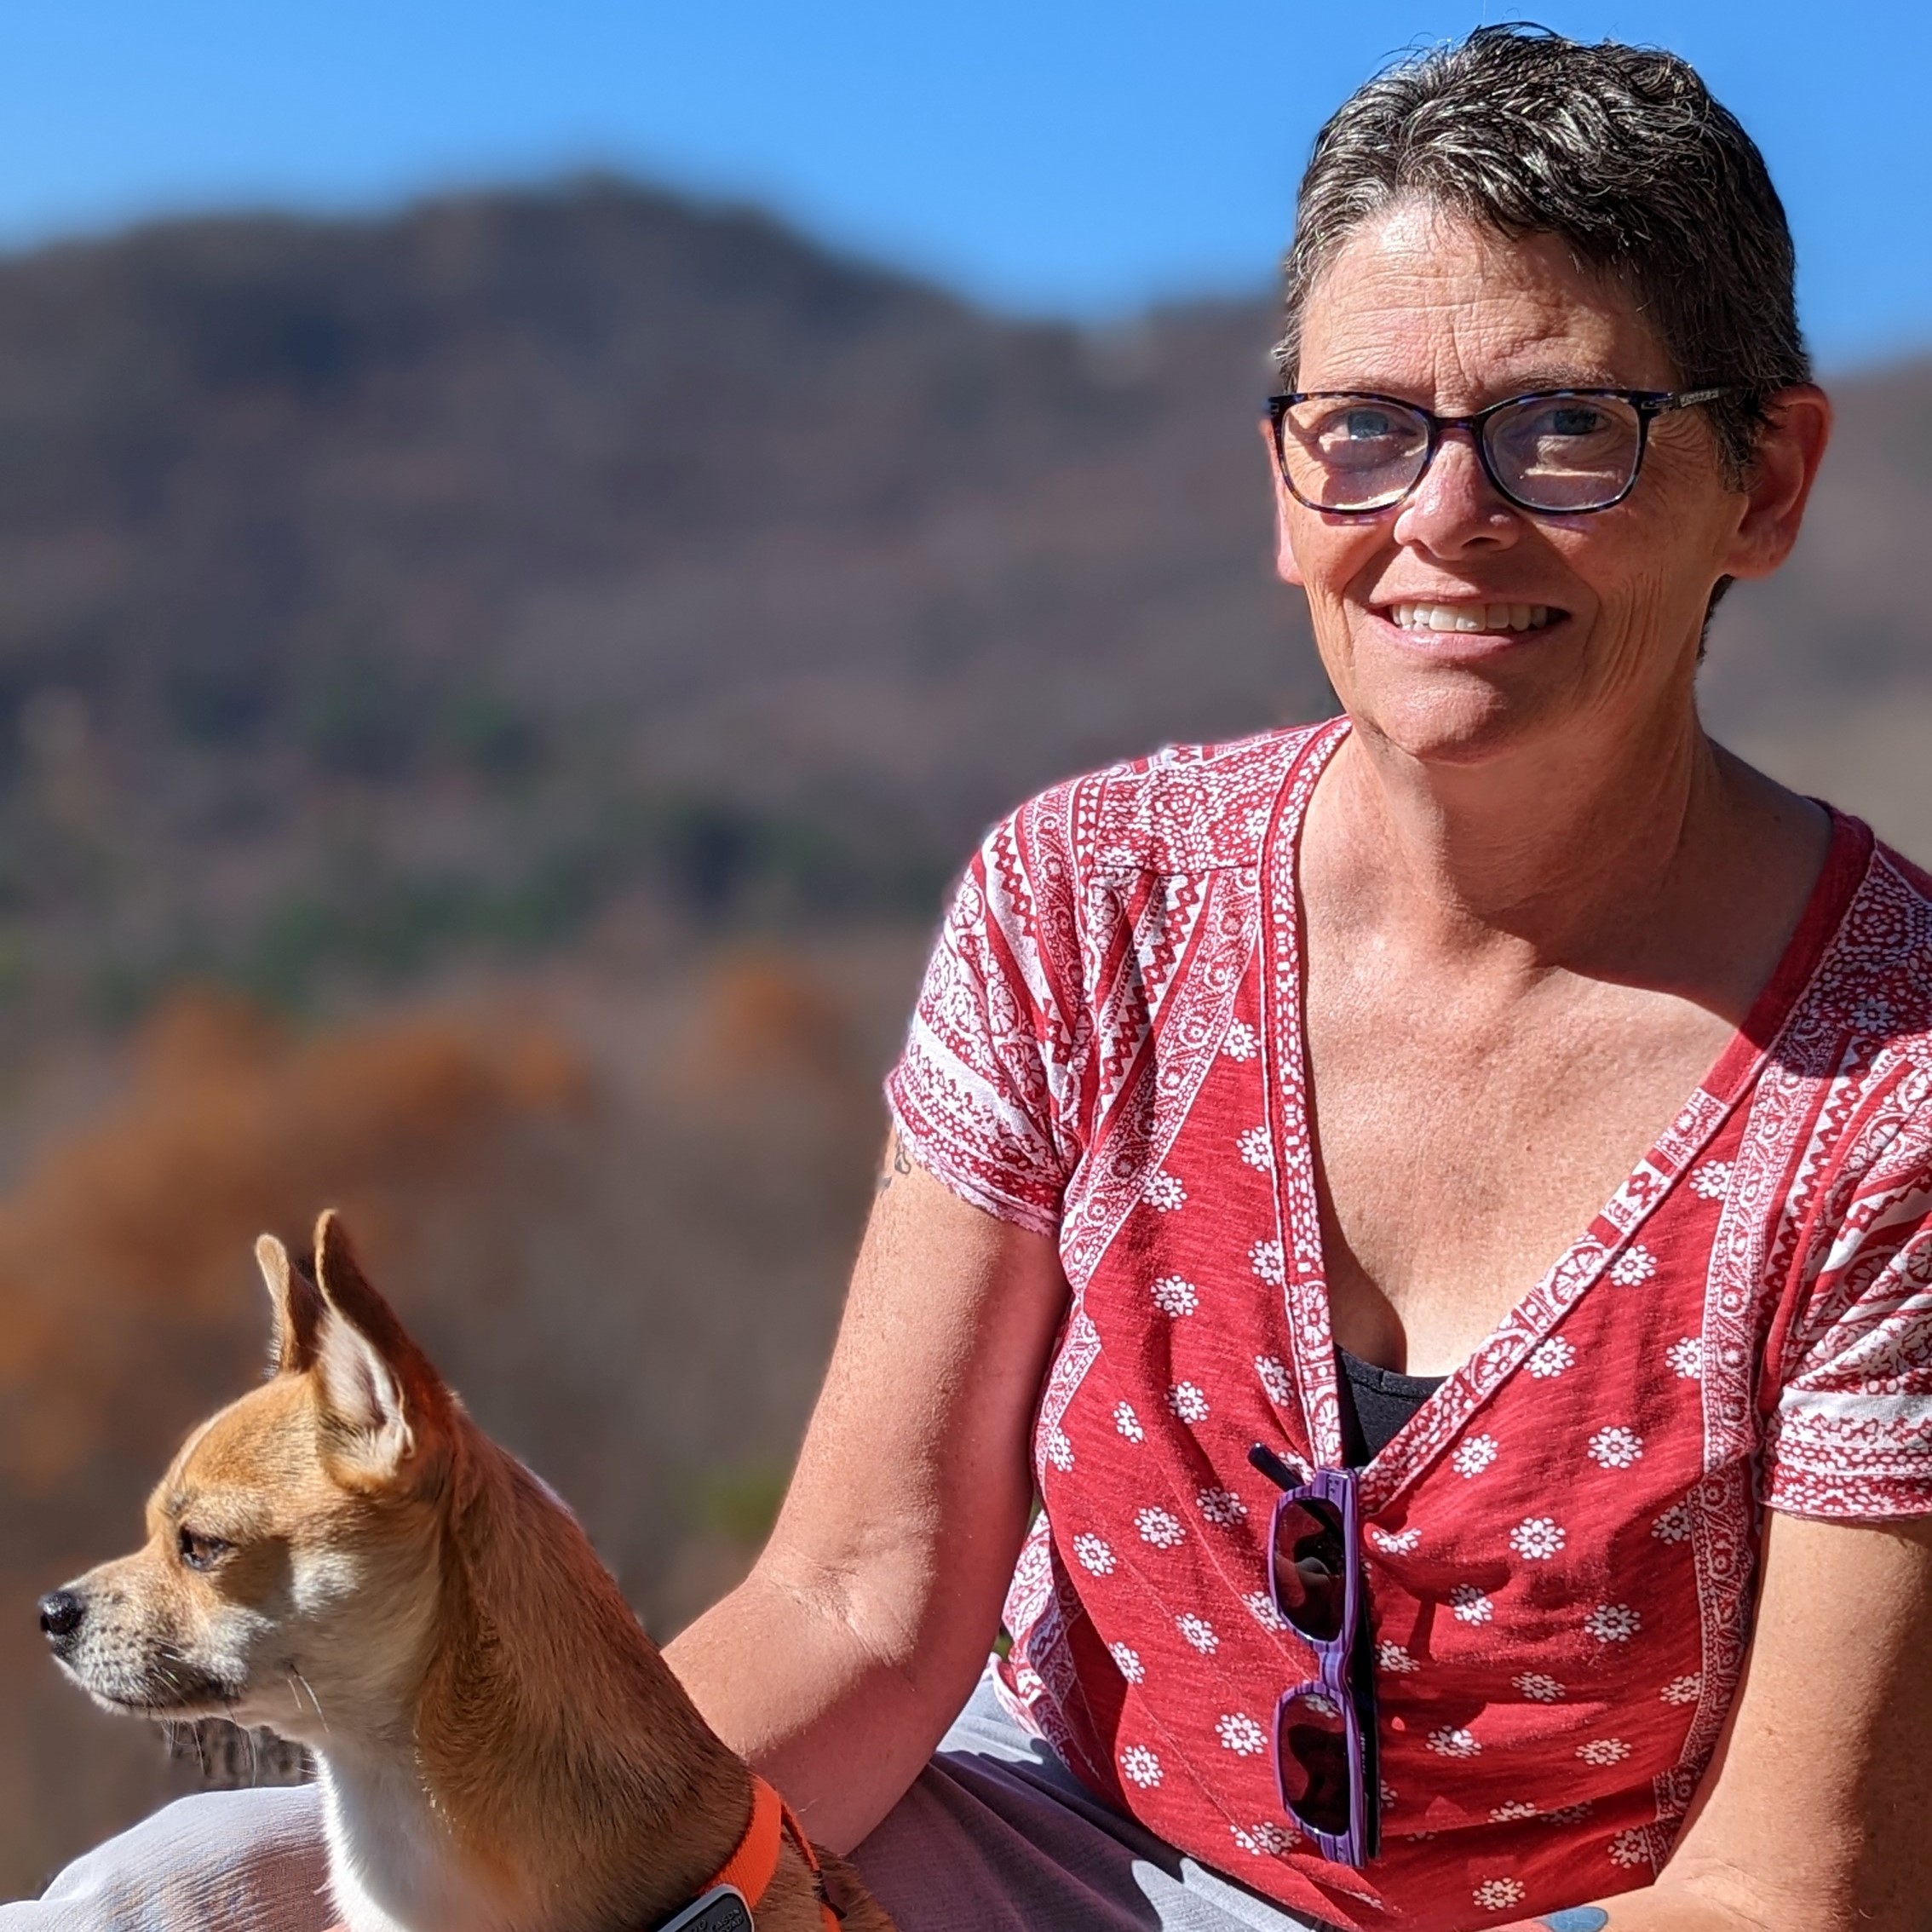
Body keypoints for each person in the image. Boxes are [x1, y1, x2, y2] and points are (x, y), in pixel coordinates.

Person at [13, 23, 1932, 1932]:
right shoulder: (1085, 902)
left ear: (1768, 481)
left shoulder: (1891, 1095)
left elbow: (1787, 1893)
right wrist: (609, 1908)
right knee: (189, 1896)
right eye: (1365, 428)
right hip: (1042, 1851)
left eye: (1566, 426)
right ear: (1283, 485)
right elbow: (867, 1601)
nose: (1441, 515)